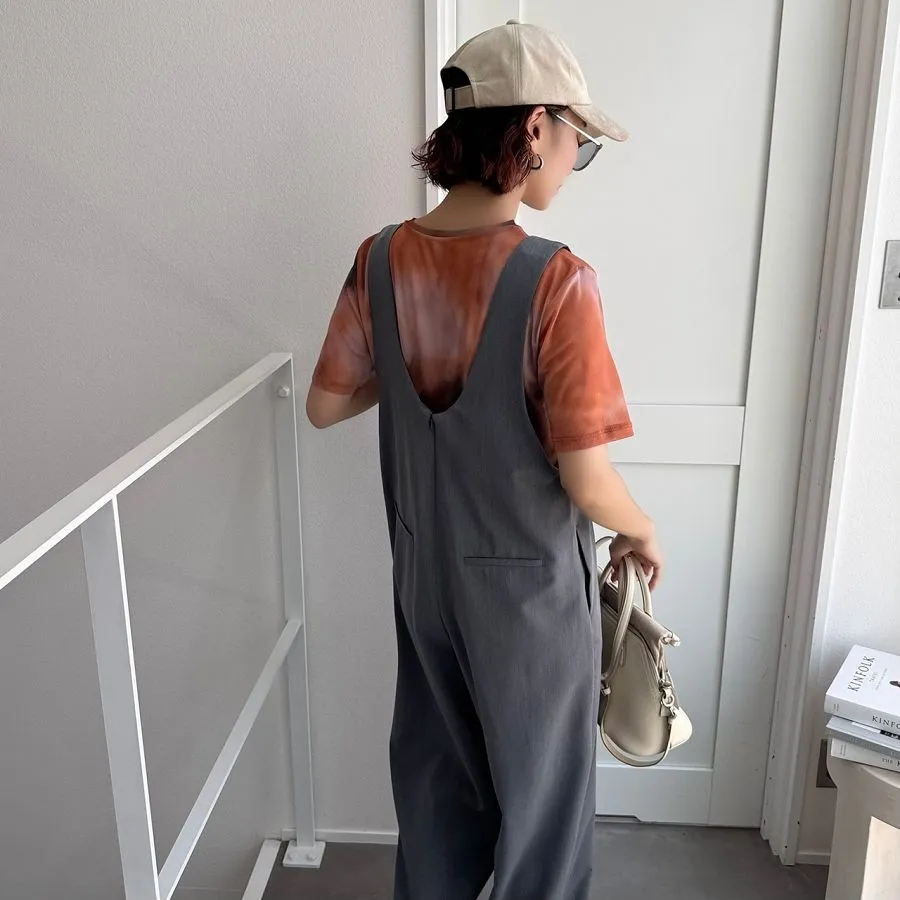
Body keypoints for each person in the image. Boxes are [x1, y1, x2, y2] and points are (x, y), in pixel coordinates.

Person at [307, 19, 662, 900]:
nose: (573, 160)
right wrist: (642, 529)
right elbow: (586, 479)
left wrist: (412, 361)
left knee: (437, 803)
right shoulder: (557, 280)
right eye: (577, 141)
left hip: (422, 579)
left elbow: (326, 404)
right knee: (542, 821)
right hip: (529, 598)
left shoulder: (381, 261)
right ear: (535, 128)